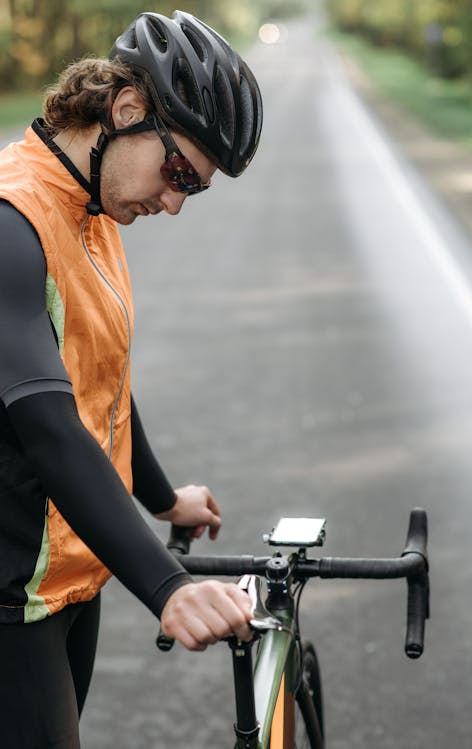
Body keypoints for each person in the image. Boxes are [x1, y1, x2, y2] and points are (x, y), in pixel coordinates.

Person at [0, 9, 262, 748]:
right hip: (10, 591)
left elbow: (100, 377)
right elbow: (48, 424)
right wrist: (169, 585)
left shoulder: (94, 210)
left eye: (195, 189)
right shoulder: (12, 219)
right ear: (125, 111)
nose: (174, 201)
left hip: (70, 575)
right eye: (178, 172)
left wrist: (161, 497)